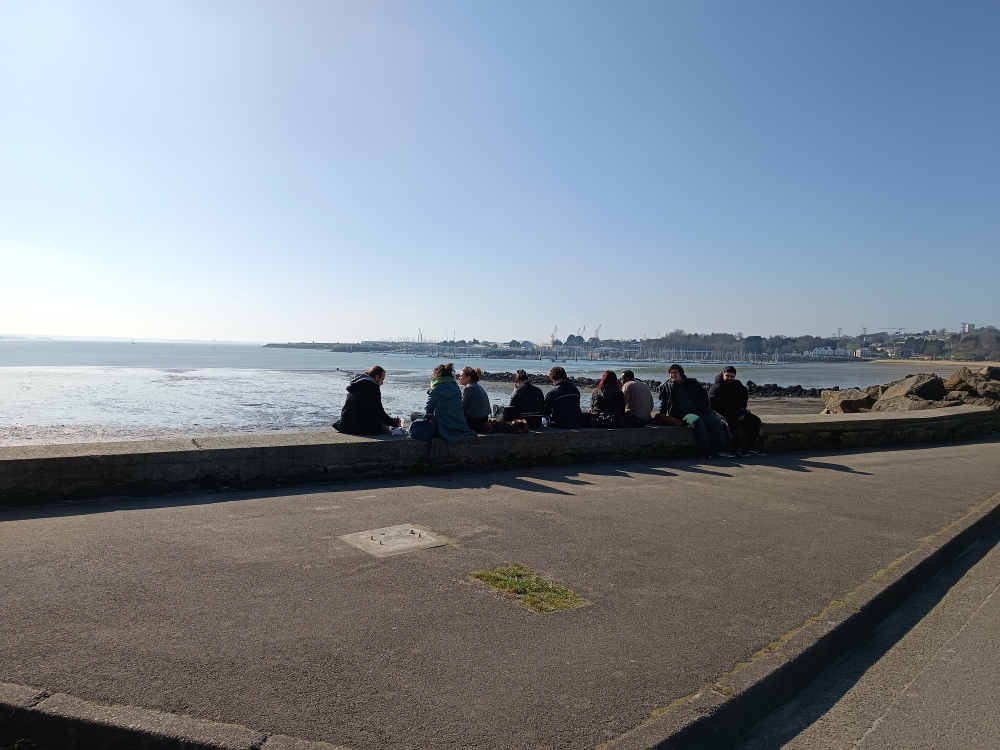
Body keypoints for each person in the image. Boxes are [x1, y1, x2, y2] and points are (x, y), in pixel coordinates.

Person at [658, 364, 731, 458]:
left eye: (675, 372)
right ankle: (704, 450)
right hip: (682, 413)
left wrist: (706, 407)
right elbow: (663, 402)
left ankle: (721, 448)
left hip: (700, 409)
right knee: (697, 421)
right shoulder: (665, 386)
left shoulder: (692, 382)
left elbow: (703, 395)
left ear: (681, 373)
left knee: (715, 421)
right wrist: (661, 416)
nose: (673, 375)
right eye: (671, 373)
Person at [709, 366, 762, 455]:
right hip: (719, 412)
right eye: (728, 376)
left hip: (735, 411)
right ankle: (736, 447)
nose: (730, 378)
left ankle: (750, 447)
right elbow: (715, 406)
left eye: (732, 376)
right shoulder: (716, 388)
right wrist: (733, 415)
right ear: (723, 374)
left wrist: (742, 409)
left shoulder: (737, 384)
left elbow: (744, 395)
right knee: (731, 421)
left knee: (756, 421)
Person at [333, 366, 401, 435]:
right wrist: (394, 422)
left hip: (345, 425)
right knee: (385, 427)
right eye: (382, 379)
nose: (382, 383)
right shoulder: (373, 387)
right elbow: (379, 412)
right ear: (377, 377)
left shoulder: (356, 384)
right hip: (360, 429)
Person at [422, 363, 476, 444]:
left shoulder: (436, 389)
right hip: (459, 426)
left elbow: (428, 410)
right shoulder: (456, 388)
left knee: (414, 416)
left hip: (443, 428)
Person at [459, 366, 491, 431]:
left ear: (468, 378)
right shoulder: (476, 386)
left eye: (461, 376)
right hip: (483, 418)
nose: (459, 378)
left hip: (474, 420)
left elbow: (462, 405)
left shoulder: (469, 388)